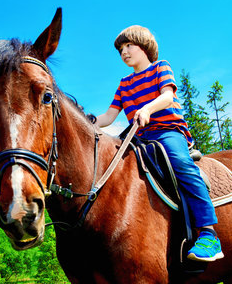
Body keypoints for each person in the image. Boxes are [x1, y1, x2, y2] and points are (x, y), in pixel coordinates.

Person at [92, 25, 224, 262]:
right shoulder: (124, 84)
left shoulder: (160, 67)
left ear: (144, 46)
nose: (124, 52)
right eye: (120, 49)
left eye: (129, 45)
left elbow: (167, 96)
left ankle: (208, 234)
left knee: (180, 164)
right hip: (139, 137)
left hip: (167, 132)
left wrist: (147, 108)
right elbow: (109, 117)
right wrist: (87, 120)